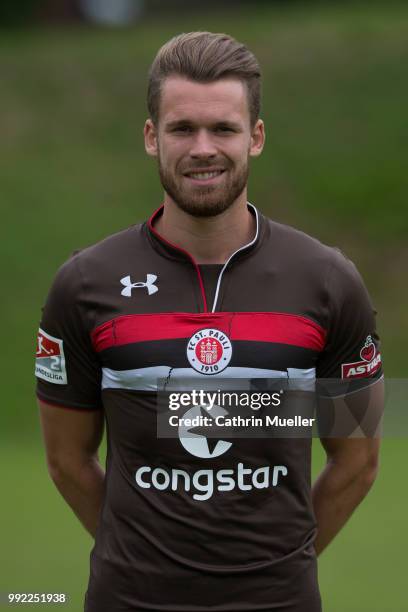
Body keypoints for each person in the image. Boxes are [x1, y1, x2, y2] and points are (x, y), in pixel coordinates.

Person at [35, 32, 384, 612]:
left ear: (256, 137)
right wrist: (141, 560)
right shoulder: (83, 284)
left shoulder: (328, 281)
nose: (203, 148)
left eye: (223, 129)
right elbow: (65, 459)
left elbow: (358, 461)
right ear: (152, 137)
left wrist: (276, 565)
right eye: (181, 128)